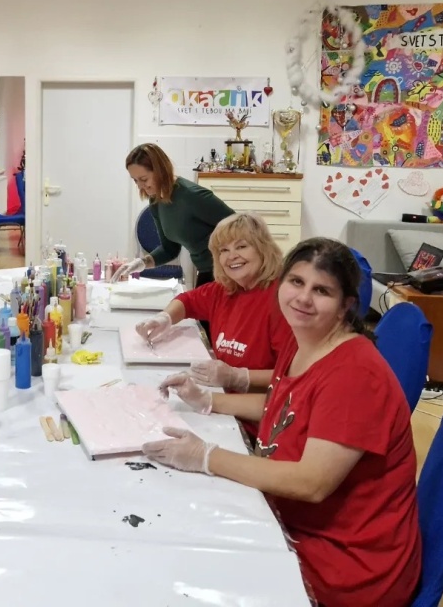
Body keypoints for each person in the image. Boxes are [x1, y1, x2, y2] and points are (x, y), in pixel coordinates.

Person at [142, 238, 420, 607]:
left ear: (345, 306)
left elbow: (311, 483)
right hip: (298, 521)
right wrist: (208, 400)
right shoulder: (305, 339)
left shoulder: (355, 373)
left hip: (345, 561)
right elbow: (288, 407)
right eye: (296, 282)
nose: (303, 298)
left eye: (321, 290)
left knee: (187, 570)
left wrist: (206, 457)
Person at [134, 213, 293, 435]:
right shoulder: (224, 291)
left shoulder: (282, 302)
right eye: (223, 250)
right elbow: (188, 301)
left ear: (263, 248)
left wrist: (239, 377)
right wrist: (165, 318)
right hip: (225, 406)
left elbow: (293, 378)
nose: (232, 256)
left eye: (241, 246)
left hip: (263, 421)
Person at [113, 143, 233, 285]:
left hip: (228, 271)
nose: (139, 186)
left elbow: (241, 227)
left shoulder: (191, 195)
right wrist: (142, 263)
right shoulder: (156, 202)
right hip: (206, 271)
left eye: (144, 179)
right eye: (135, 180)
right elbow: (169, 249)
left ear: (160, 171)